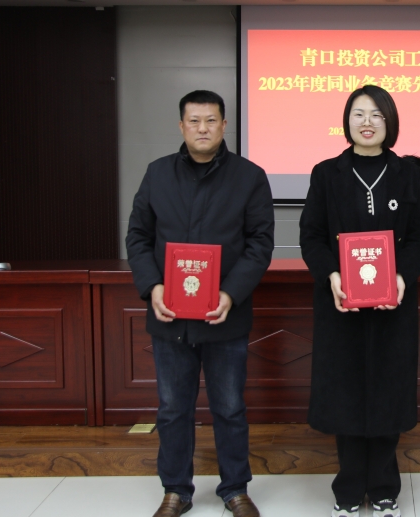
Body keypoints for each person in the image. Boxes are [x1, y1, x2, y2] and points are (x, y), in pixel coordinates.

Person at [126, 90, 274, 517]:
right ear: (181, 126)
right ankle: (176, 490)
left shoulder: (249, 176)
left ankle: (235, 489)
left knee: (229, 407)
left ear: (224, 125)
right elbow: (138, 236)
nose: (203, 128)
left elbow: (260, 244)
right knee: (173, 409)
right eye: (194, 121)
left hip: (225, 315)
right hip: (170, 316)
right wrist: (152, 286)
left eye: (211, 120)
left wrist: (230, 293)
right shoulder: (157, 173)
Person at [299, 85, 420, 517]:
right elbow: (311, 236)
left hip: (394, 305)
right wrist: (332, 275)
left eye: (377, 114)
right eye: (359, 114)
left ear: (389, 121)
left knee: (388, 392)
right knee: (345, 393)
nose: (367, 122)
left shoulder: (409, 174)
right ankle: (348, 485)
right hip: (340, 305)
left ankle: (383, 485)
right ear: (347, 121)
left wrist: (400, 276)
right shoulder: (326, 174)